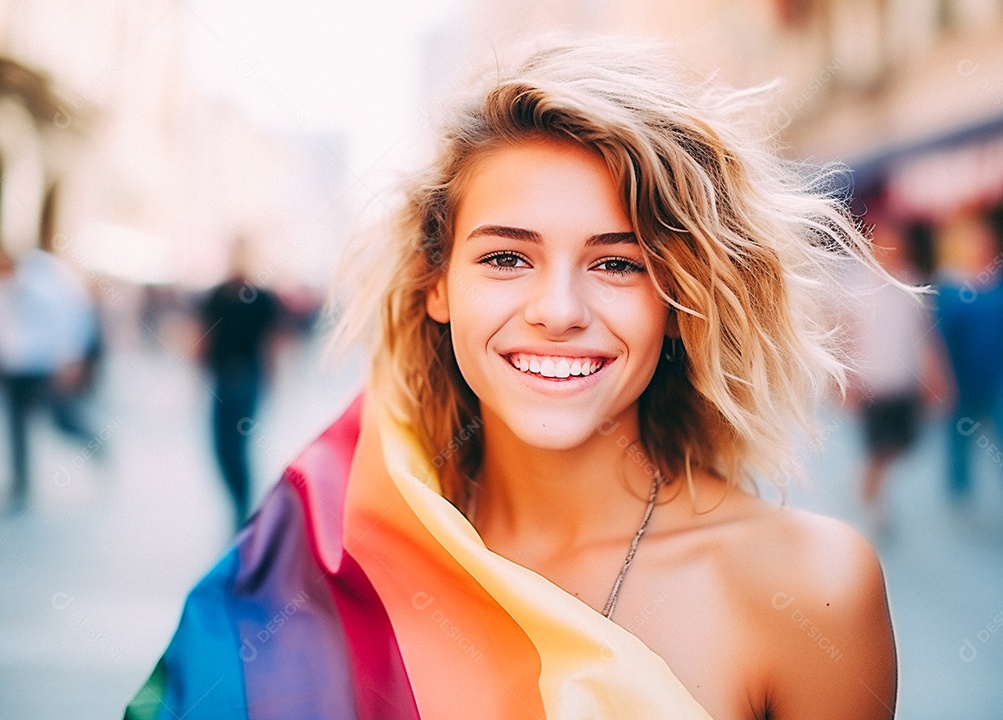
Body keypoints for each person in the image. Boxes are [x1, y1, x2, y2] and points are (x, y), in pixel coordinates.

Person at [128, 39, 897, 719]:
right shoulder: (332, 557)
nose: (558, 311)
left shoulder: (811, 590)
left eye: (618, 263)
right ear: (437, 283)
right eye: (506, 257)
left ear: (681, 298)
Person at [933, 211, 1003, 537]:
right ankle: (960, 495)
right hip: (963, 380)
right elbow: (939, 339)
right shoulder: (950, 287)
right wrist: (943, 380)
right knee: (959, 442)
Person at [845, 216, 943, 535]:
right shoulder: (858, 287)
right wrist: (845, 381)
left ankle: (870, 477)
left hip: (904, 381)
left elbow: (926, 334)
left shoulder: (914, 283)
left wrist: (936, 376)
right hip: (872, 383)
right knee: (879, 448)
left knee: (904, 445)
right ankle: (875, 504)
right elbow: (847, 335)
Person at [0, 244, 97, 513]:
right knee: (17, 428)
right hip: (13, 365)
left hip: (44, 364)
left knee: (61, 419)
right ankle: (21, 485)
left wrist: (70, 357)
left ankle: (95, 444)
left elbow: (69, 315)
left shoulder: (42, 274)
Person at [198, 239, 281, 530]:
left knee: (237, 447)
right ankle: (240, 505)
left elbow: (271, 343)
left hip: (246, 378)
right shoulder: (217, 295)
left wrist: (271, 380)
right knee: (221, 447)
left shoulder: (262, 298)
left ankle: (242, 509)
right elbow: (203, 338)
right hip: (221, 379)